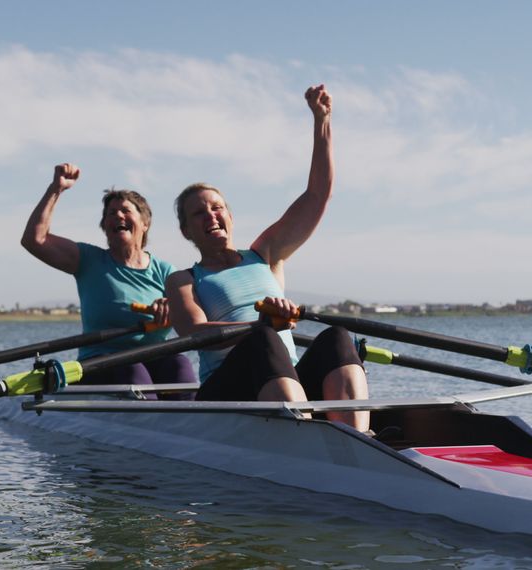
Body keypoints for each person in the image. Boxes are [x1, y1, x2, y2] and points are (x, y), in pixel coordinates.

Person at [165, 84, 370, 430]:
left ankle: (357, 439)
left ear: (230, 217)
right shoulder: (184, 278)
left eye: (217, 208)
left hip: (283, 380)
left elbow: (318, 195)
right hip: (226, 394)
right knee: (263, 339)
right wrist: (259, 326)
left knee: (337, 336)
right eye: (199, 213)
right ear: (186, 231)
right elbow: (192, 331)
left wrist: (322, 122)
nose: (211, 215)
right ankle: (304, 437)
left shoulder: (266, 253)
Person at [22, 164, 197, 396]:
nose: (117, 216)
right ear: (105, 227)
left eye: (125, 211)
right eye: (111, 214)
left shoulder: (166, 271)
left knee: (179, 364)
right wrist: (57, 189)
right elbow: (35, 239)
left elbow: (189, 316)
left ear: (145, 224)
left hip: (155, 357)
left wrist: (172, 309)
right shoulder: (88, 260)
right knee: (133, 371)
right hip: (102, 362)